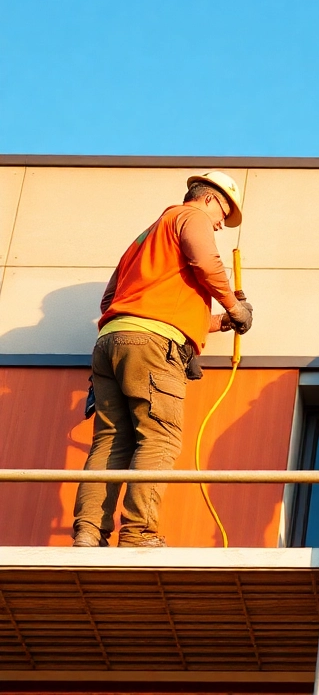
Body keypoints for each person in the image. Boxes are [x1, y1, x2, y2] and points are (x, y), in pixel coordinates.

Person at [73, 171, 254, 547]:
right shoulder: (190, 217)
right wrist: (235, 305)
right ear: (209, 198)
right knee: (160, 438)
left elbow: (112, 302)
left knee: (110, 440)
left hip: (111, 341)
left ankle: (89, 532)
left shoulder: (143, 239)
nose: (221, 225)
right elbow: (206, 262)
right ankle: (139, 533)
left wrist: (222, 322)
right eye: (224, 213)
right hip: (154, 345)